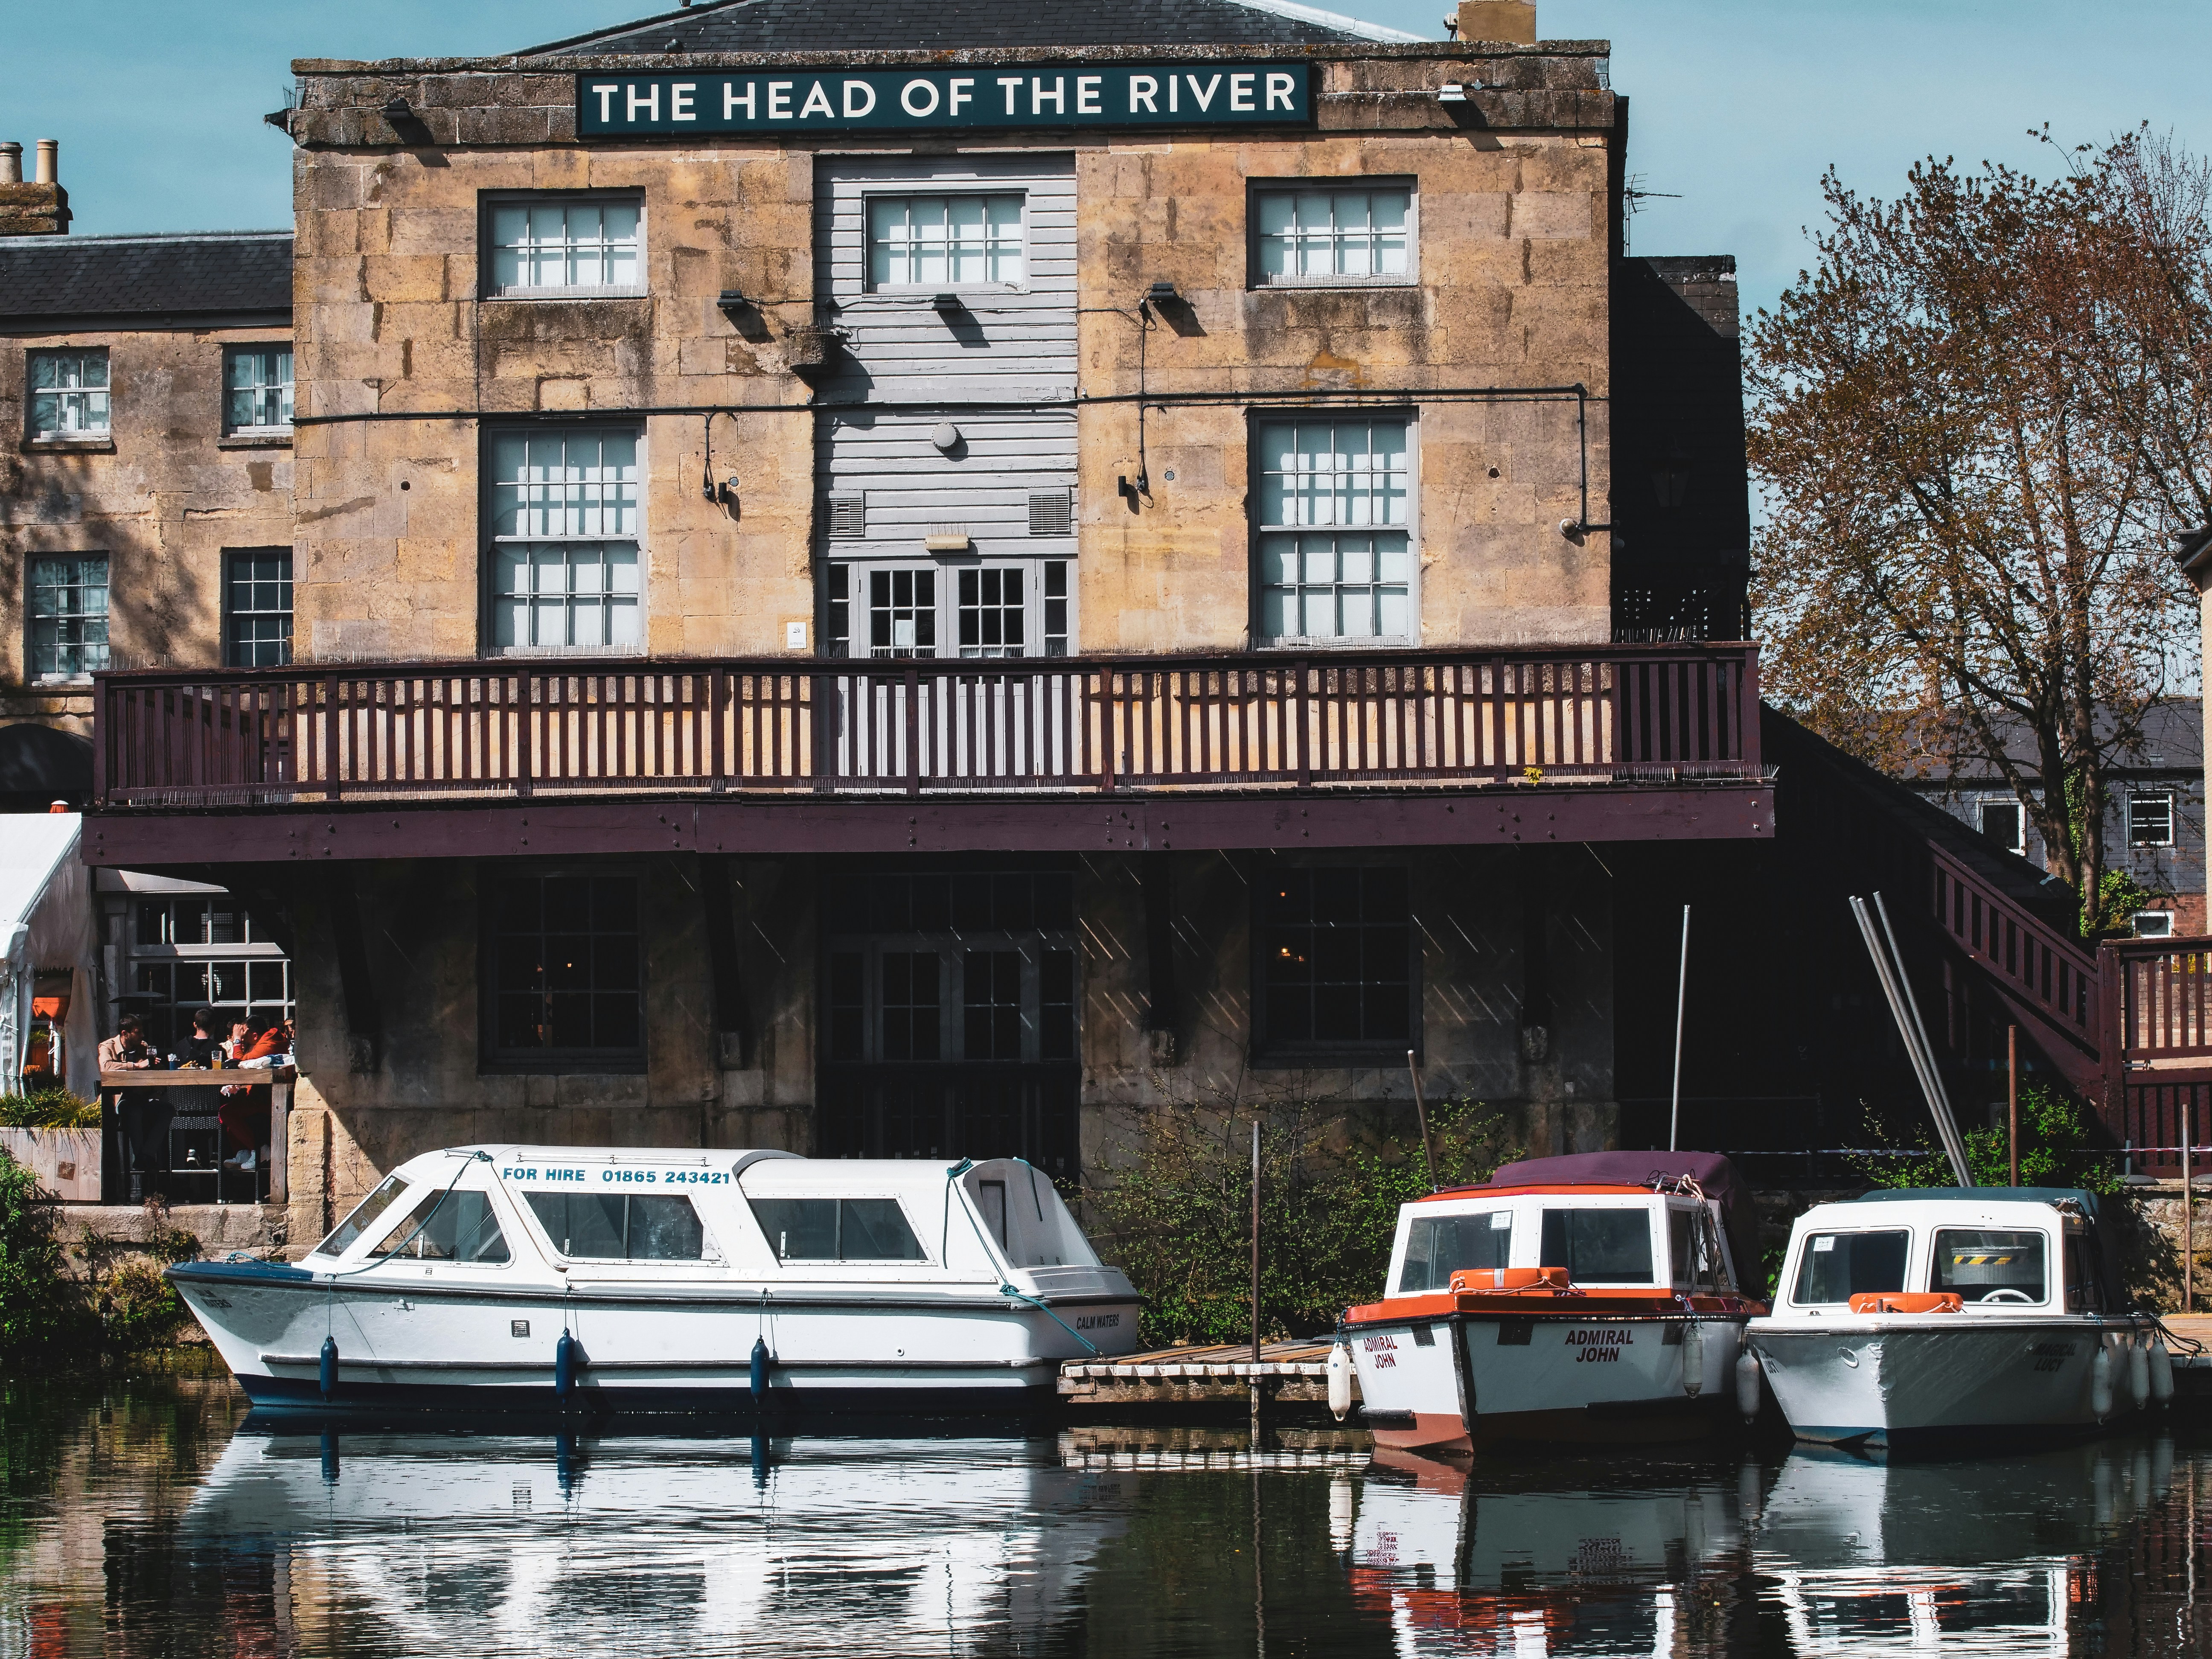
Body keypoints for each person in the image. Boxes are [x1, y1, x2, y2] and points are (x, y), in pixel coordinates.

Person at [98, 1014, 163, 1202]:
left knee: (167, 1110)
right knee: (133, 1110)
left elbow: (149, 1070)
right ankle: (142, 1157)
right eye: (138, 1032)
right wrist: (135, 1066)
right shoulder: (107, 1046)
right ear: (125, 1033)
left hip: (144, 1098)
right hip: (119, 1101)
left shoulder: (143, 1047)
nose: (142, 1035)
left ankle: (145, 1155)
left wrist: (154, 1066)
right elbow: (106, 1067)